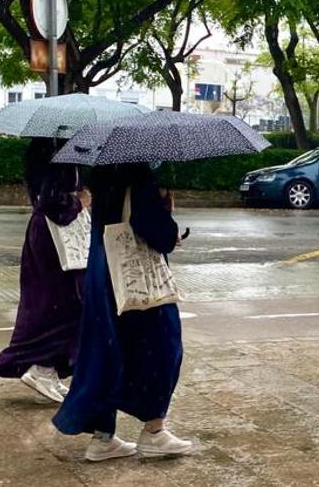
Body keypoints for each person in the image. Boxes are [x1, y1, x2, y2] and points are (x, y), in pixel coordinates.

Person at [52, 163, 192, 462]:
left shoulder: (102, 175)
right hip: (134, 280)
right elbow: (152, 228)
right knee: (163, 347)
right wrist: (170, 224)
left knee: (107, 351)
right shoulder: (139, 175)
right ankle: (154, 431)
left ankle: (103, 438)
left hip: (103, 274)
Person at [0, 138, 85, 403]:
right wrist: (80, 202)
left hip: (46, 237)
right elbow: (54, 202)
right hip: (55, 239)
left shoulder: (44, 148)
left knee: (50, 302)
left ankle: (48, 369)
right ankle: (42, 367)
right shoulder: (57, 152)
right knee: (62, 304)